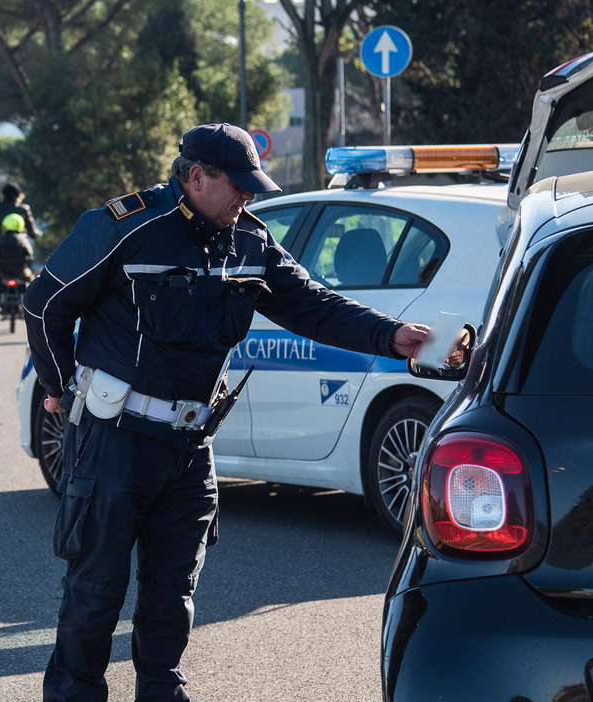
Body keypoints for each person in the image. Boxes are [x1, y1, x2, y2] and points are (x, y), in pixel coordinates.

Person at [23, 123, 437, 702]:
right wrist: (62, 388)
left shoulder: (250, 241)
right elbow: (45, 304)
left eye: (251, 187)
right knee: (96, 589)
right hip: (115, 439)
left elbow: (311, 304)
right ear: (196, 177)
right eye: (237, 186)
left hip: (190, 446)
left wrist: (390, 335)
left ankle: (162, 692)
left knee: (174, 590)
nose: (248, 197)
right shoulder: (127, 226)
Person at [0, 213, 36, 311]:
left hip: (2, 272)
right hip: (21, 271)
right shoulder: (24, 240)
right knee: (33, 282)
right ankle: (36, 303)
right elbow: (30, 255)